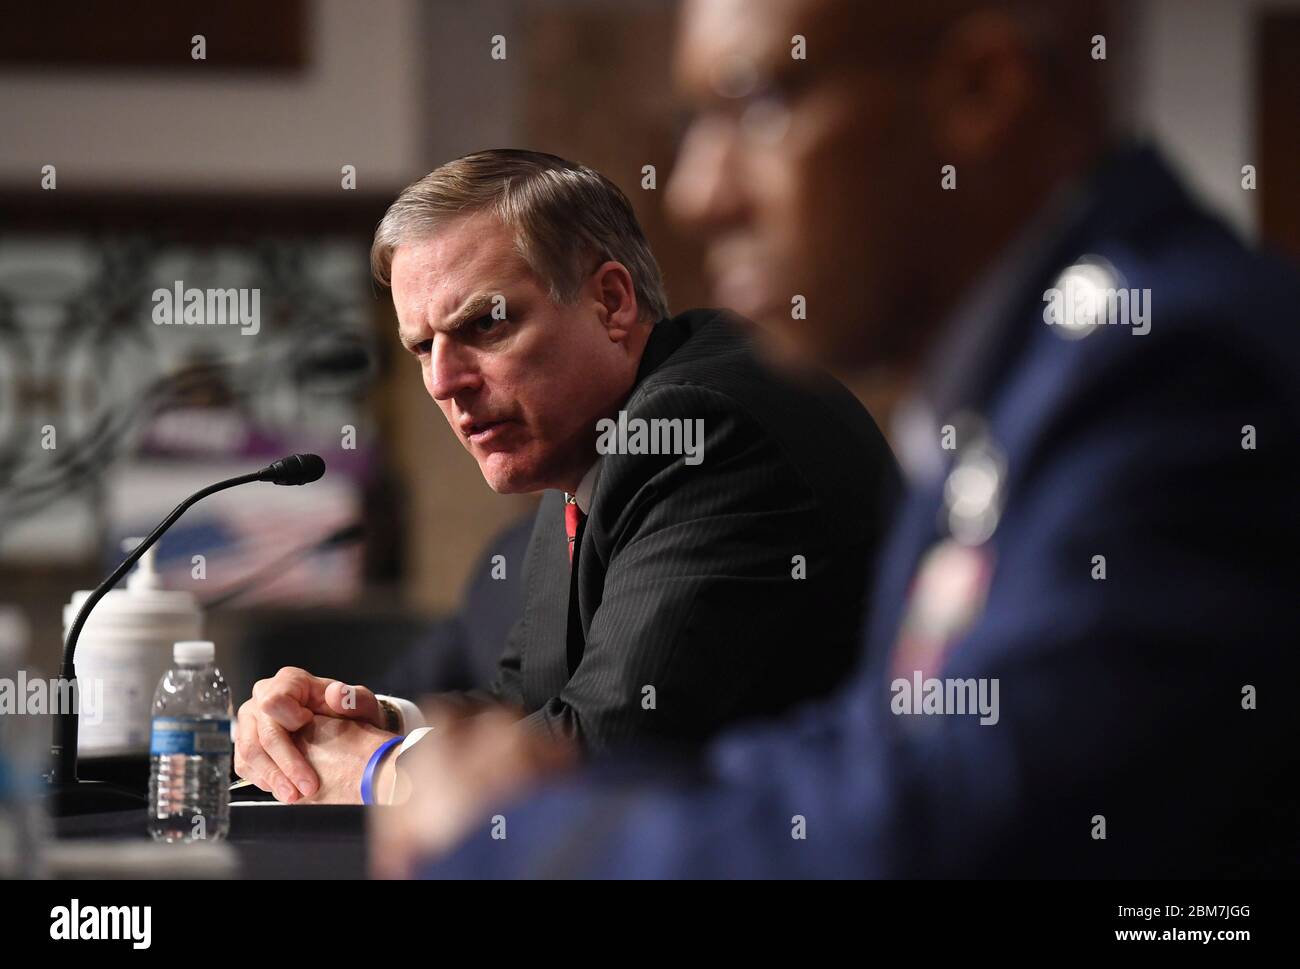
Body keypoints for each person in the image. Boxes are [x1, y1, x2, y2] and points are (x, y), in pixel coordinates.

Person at [389, 0, 1300, 877]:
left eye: (758, 104)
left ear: (981, 89)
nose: (703, 193)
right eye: (694, 123)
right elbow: (888, 738)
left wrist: (528, 835)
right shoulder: (1018, 377)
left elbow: (962, 821)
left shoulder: (1172, 367)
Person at [232, 149, 898, 804]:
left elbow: (611, 742)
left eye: (484, 324)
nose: (444, 382)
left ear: (610, 302)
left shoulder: (699, 430)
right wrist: (372, 723)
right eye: (422, 347)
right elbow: (530, 702)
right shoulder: (586, 449)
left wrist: (375, 772)